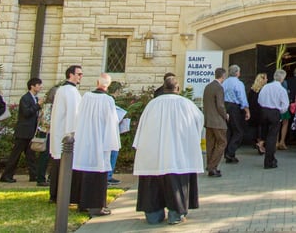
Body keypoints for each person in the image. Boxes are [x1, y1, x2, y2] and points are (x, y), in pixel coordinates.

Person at [133, 75, 204, 226]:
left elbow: (142, 127)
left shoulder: (152, 105)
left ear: (164, 88)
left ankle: (153, 214)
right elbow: (199, 121)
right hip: (177, 152)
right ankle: (175, 214)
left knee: (152, 183)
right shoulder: (186, 104)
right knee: (176, 182)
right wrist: (191, 141)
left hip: (154, 153)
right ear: (177, 88)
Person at [72, 73, 120, 217]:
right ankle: (96, 205)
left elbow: (79, 115)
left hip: (85, 138)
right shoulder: (108, 100)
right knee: (98, 170)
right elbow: (112, 122)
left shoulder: (86, 97)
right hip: (100, 140)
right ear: (108, 85)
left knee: (85, 169)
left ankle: (82, 203)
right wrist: (112, 143)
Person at [49, 64, 83, 203]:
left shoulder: (63, 90)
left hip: (60, 132)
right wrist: (74, 133)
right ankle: (62, 194)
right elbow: (74, 114)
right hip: (66, 134)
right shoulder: (69, 91)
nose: (81, 76)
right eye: (79, 74)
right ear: (71, 75)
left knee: (58, 164)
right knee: (63, 165)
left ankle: (56, 194)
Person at [0, 77, 43, 183]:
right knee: (16, 154)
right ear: (32, 86)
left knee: (30, 155)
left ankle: (34, 175)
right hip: (23, 132)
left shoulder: (35, 98)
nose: (40, 87)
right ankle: (6, 175)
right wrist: (38, 106)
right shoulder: (25, 98)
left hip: (30, 131)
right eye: (38, 85)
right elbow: (27, 113)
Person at [256, 69, 289, 169]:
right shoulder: (281, 90)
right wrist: (280, 112)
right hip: (274, 112)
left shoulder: (266, 87)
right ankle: (269, 161)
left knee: (266, 135)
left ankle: (269, 157)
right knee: (272, 137)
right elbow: (285, 105)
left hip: (264, 111)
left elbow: (260, 100)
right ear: (282, 78)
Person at [202, 67, 228, 177]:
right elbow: (220, 105)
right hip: (218, 121)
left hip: (208, 120)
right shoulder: (219, 88)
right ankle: (212, 166)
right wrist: (225, 115)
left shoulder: (208, 87)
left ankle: (211, 166)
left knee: (210, 144)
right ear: (223, 76)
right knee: (222, 143)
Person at [222, 64, 249, 163]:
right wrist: (246, 109)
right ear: (237, 72)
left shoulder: (224, 82)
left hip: (226, 106)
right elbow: (242, 97)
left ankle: (228, 153)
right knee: (238, 131)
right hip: (235, 107)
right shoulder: (238, 83)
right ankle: (230, 152)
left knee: (229, 131)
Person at [247, 72, 268, 154]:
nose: (267, 80)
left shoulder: (252, 90)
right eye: (266, 78)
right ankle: (261, 144)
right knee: (264, 129)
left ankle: (258, 142)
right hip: (262, 111)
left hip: (253, 112)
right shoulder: (264, 90)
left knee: (255, 129)